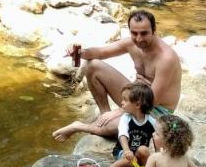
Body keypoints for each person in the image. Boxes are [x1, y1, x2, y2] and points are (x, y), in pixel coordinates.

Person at [52, 9, 181, 140]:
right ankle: (104, 115)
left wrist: (118, 112)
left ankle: (79, 126)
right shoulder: (131, 43)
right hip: (135, 95)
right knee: (93, 66)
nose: (139, 39)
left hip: (155, 110)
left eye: (144, 33)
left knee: (119, 124)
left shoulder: (166, 58)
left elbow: (151, 101)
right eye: (134, 33)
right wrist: (80, 52)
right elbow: (100, 53)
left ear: (154, 30)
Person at [97, 82, 156, 167]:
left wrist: (160, 155)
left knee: (144, 150)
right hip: (124, 152)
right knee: (129, 159)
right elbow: (123, 134)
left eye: (125, 100)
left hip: (138, 154)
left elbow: (157, 137)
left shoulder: (151, 121)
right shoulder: (126, 118)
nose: (122, 102)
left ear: (137, 104)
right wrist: (126, 150)